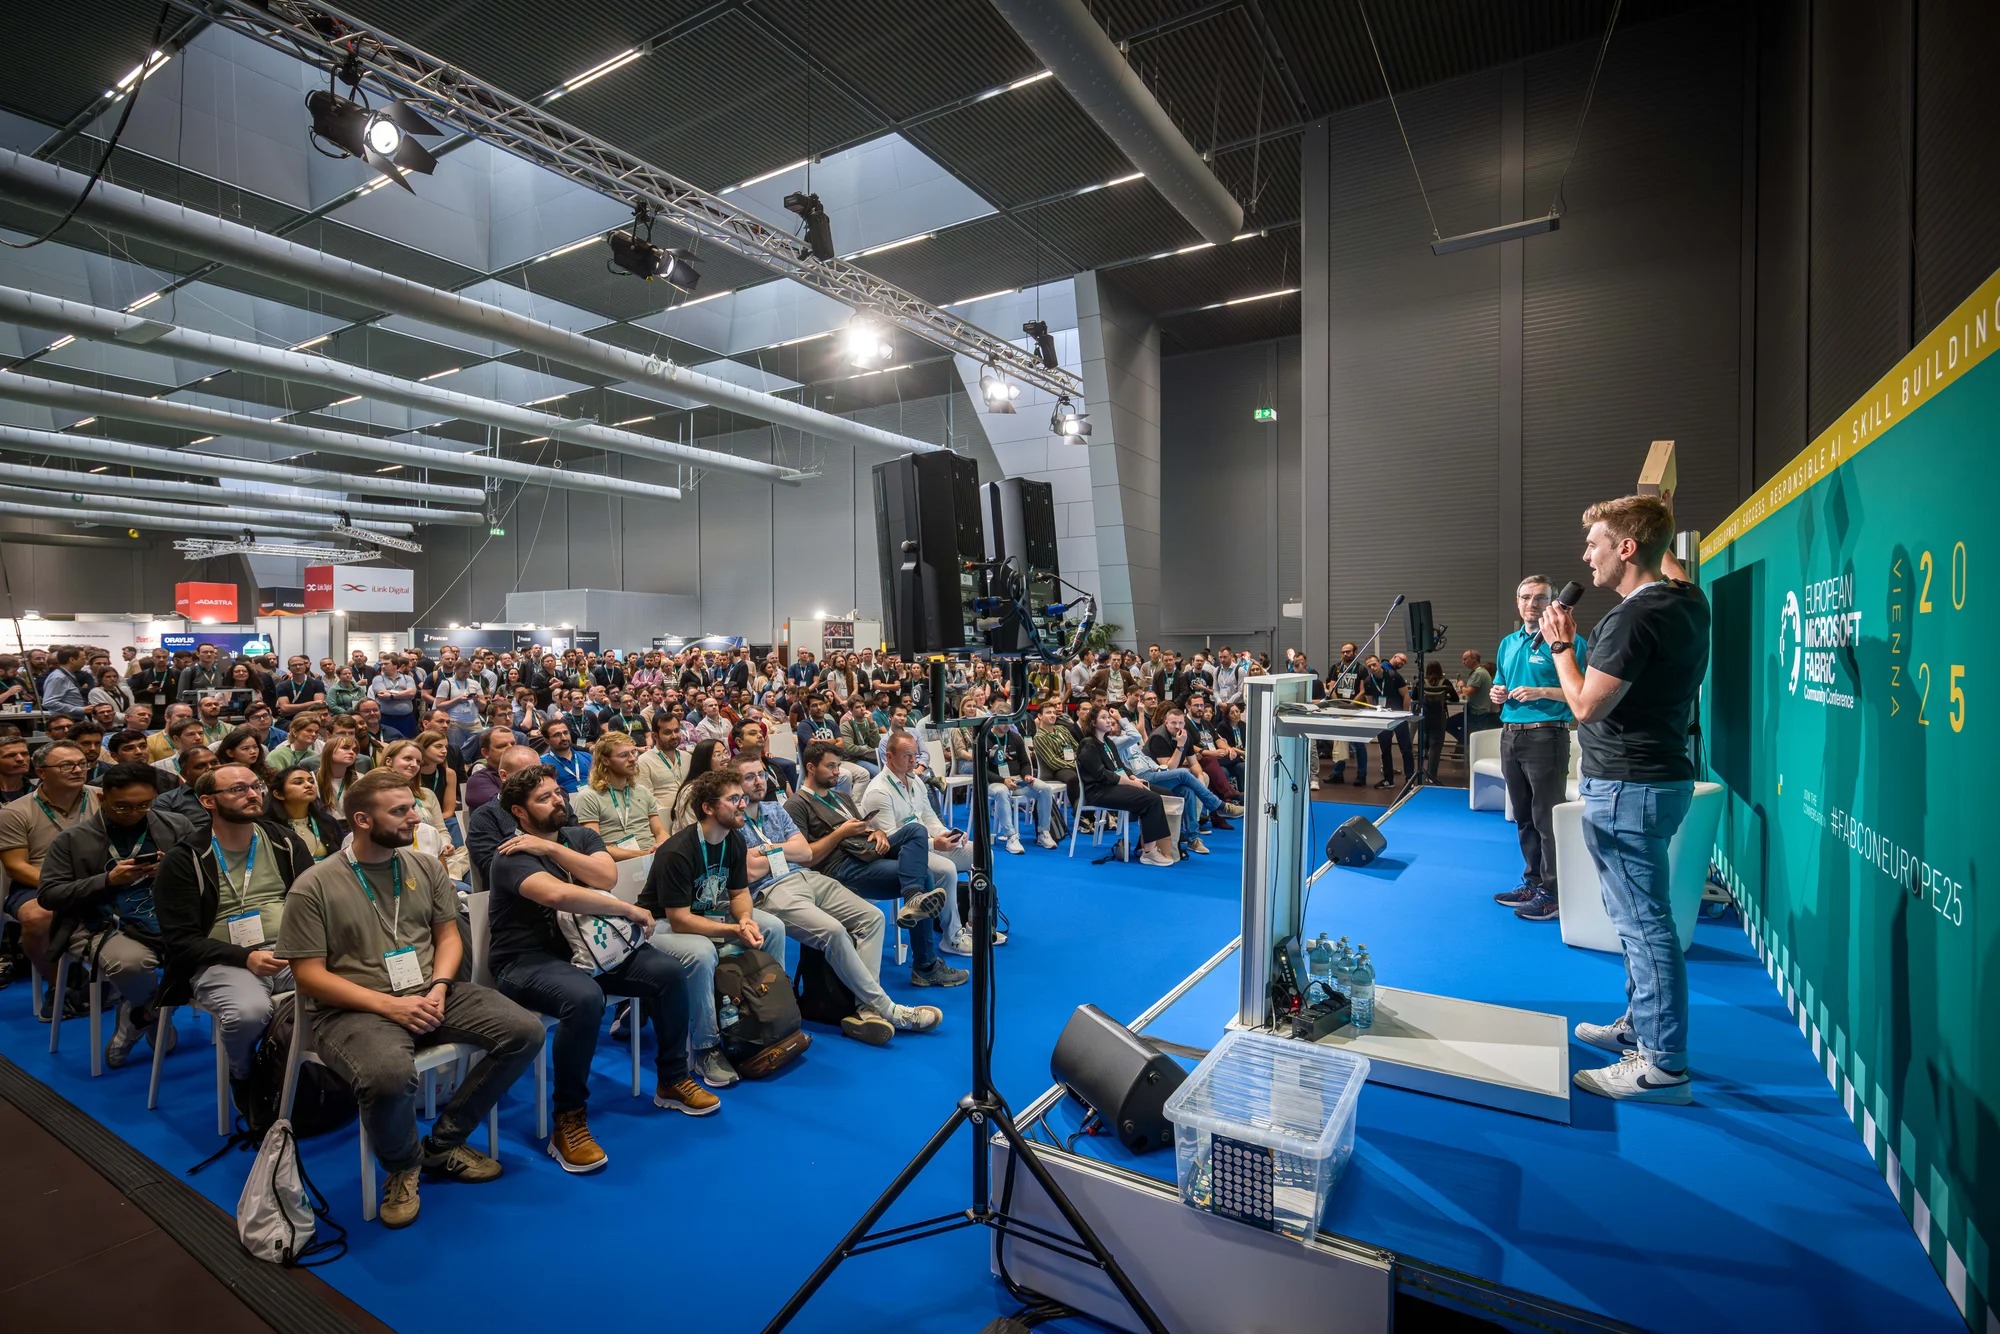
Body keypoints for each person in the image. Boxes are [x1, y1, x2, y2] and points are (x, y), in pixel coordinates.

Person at [274, 769, 544, 1227]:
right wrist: (389, 1005)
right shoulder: (315, 885)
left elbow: (448, 937)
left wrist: (439, 986)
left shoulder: (421, 866)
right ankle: (403, 1167)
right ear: (361, 819)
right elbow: (308, 976)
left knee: (525, 1031)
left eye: (412, 807)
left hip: (429, 990)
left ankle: (441, 1144)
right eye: (399, 811)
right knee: (386, 1075)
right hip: (352, 1007)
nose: (415, 817)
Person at [1539, 495, 1708, 1104]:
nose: (1586, 556)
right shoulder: (1686, 600)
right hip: (1657, 779)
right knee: (1638, 919)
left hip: (1629, 788)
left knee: (1644, 927)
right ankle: (1641, 1026)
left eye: (1596, 545)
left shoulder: (1632, 620)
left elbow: (1586, 706)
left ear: (1627, 549)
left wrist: (1562, 645)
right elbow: (1675, 565)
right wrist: (1655, 506)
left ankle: (1662, 1069)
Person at [488, 765, 713, 1173]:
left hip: (592, 950)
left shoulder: (580, 837)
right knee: (584, 998)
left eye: (558, 792)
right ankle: (568, 1119)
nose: (559, 800)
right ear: (519, 813)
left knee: (667, 972)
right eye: (545, 797)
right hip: (525, 961)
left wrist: (552, 848)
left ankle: (671, 1079)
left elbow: (605, 875)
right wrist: (628, 909)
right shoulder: (511, 853)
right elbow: (558, 895)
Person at [730, 752, 940, 1043]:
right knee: (834, 932)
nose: (758, 781)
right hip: (770, 891)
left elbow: (803, 853)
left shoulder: (774, 810)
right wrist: (783, 849)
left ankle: (866, 1011)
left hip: (807, 877)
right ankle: (890, 1010)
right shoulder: (735, 822)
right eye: (749, 777)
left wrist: (766, 850)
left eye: (761, 774)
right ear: (736, 785)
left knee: (873, 917)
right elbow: (750, 871)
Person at [154, 765, 318, 1111]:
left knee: (357, 979)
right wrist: (245, 958)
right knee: (248, 1013)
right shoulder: (185, 859)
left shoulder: (284, 841)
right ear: (207, 801)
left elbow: (316, 903)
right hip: (221, 959)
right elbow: (179, 940)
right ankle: (244, 1075)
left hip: (290, 950)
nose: (251, 794)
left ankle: (320, 1072)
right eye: (238, 789)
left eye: (254, 786)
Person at [639, 769, 790, 1090]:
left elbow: (738, 895)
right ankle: (707, 1047)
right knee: (702, 952)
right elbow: (679, 919)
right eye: (734, 799)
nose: (742, 804)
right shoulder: (677, 851)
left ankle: (772, 1016)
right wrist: (734, 931)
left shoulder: (732, 840)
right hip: (658, 925)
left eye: (743, 798)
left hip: (705, 912)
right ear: (708, 808)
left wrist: (746, 919)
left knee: (772, 926)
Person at [37, 764, 197, 1067]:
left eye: (144, 805)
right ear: (102, 799)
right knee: (131, 964)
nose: (134, 813)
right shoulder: (72, 840)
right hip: (99, 923)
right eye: (122, 806)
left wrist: (171, 870)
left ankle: (140, 1016)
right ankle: (151, 1015)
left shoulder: (177, 825)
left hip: (169, 916)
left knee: (219, 950)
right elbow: (49, 895)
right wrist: (107, 880)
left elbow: (206, 873)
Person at [799, 740, 967, 988]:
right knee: (925, 876)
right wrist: (841, 833)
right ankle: (925, 966)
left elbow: (864, 828)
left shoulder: (841, 797)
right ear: (811, 768)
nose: (837, 772)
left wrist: (875, 833)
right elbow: (805, 857)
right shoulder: (798, 804)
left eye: (838, 766)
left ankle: (913, 900)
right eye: (831, 766)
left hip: (865, 851)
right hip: (840, 867)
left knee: (916, 831)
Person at [1490, 577, 1588, 922]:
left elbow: (1584, 693)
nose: (1532, 603)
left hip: (1546, 737)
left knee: (1547, 817)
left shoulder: (1567, 642)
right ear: (1517, 602)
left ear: (1552, 602)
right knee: (1524, 815)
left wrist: (1541, 692)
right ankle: (1533, 882)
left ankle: (1553, 892)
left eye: (1540, 598)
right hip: (1510, 734)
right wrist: (1497, 693)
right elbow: (1501, 681)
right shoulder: (1508, 643)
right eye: (1526, 597)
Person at [0, 742, 104, 1014]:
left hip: (99, 878)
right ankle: (60, 986)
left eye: (82, 764)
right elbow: (15, 866)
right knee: (36, 918)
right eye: (66, 765)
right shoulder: (15, 812)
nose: (78, 770)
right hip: (37, 883)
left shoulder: (104, 799)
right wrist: (67, 888)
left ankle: (118, 979)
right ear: (42, 773)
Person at [1077, 705, 1177, 866]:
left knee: (1164, 793)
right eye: (1103, 717)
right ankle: (1149, 852)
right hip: (1098, 791)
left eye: (1108, 717)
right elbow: (1103, 774)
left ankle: (1156, 842)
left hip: (1115, 786)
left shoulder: (1108, 742)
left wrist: (1133, 778)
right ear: (1093, 723)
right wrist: (1131, 783)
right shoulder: (1088, 744)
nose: (1109, 720)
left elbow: (1120, 766)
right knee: (1152, 799)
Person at [571, 733, 662, 867]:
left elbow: (660, 831)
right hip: (618, 866)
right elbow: (595, 847)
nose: (632, 759)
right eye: (624, 755)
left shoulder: (642, 791)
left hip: (653, 859)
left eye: (634, 752)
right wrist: (644, 855)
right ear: (605, 760)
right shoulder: (588, 797)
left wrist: (662, 848)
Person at [271, 764, 341, 859]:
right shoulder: (270, 828)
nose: (309, 785)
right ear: (279, 794)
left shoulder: (328, 822)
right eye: (298, 782)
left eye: (311, 781)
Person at [1418, 661, 1454, 782]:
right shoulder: (1445, 682)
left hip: (1424, 717)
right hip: (1439, 717)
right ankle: (1431, 776)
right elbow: (1455, 698)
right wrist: (1446, 696)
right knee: (1436, 747)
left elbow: (1414, 697)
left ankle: (1419, 773)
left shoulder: (1422, 681)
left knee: (1422, 745)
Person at [541, 718, 591, 794]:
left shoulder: (587, 757)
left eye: (566, 733)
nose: (564, 738)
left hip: (593, 798)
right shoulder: (543, 763)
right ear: (547, 740)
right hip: (565, 801)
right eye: (557, 735)